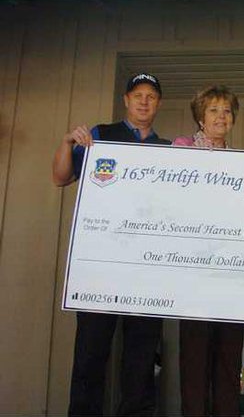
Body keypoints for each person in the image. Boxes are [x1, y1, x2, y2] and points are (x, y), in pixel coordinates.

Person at [52, 73, 170, 416]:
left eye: (151, 96)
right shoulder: (101, 136)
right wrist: (67, 143)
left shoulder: (168, 150)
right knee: (91, 350)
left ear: (158, 103)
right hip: (100, 263)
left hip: (146, 266)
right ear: (126, 100)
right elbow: (60, 177)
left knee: (142, 353)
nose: (144, 101)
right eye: (138, 95)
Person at [173, 85, 244, 417]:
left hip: (232, 273)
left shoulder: (243, 162)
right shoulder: (182, 148)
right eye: (214, 110)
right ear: (200, 118)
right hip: (194, 272)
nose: (221, 116)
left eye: (227, 111)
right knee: (195, 358)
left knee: (229, 359)